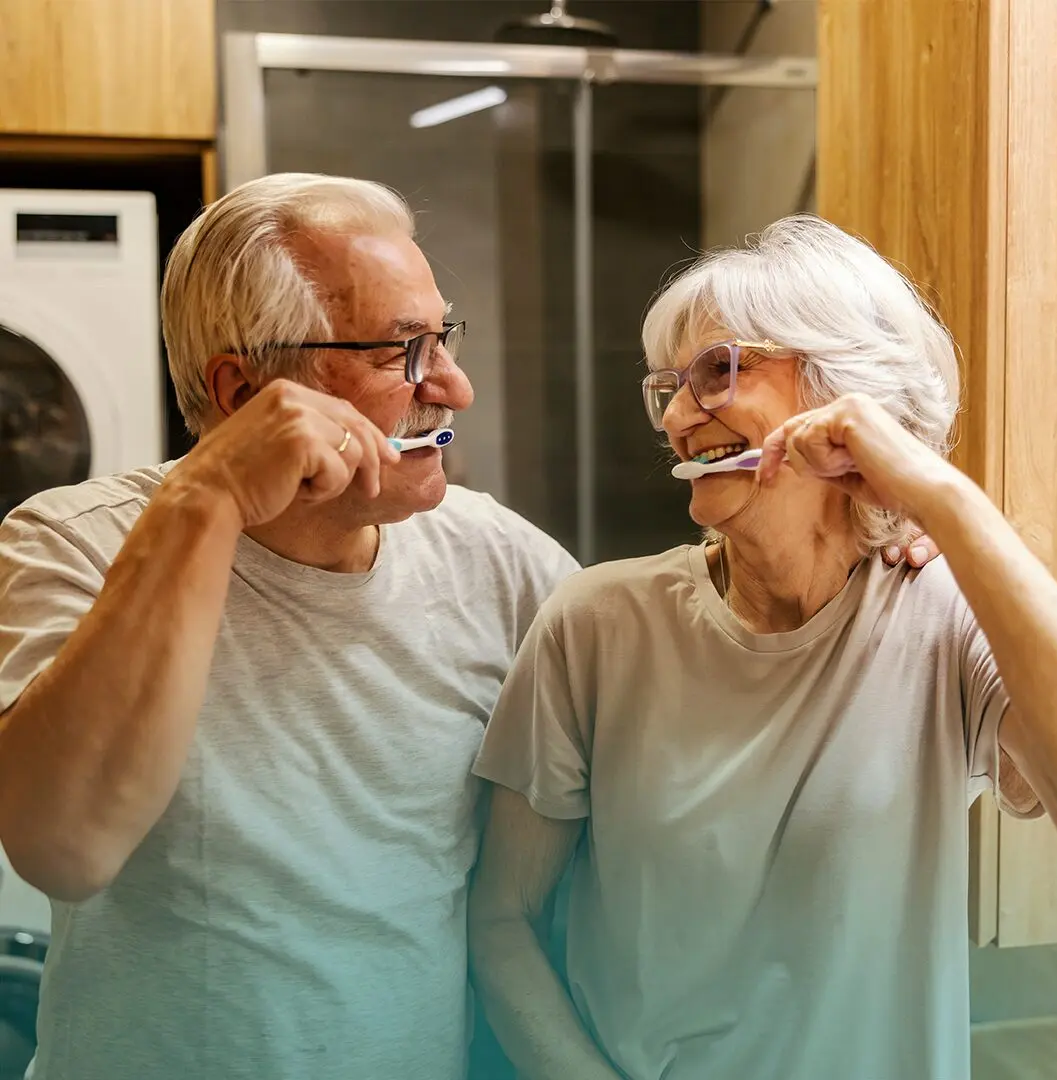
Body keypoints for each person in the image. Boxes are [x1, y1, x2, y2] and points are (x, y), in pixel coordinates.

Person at [0, 177, 932, 1080]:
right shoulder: (72, 547)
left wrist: (877, 528)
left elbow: (686, 732)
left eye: (443, 339)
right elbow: (67, 848)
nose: (454, 386)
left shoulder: (503, 564)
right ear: (243, 393)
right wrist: (205, 498)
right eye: (401, 352)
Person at [467, 215, 1057, 1080]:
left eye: (718, 372)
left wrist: (945, 499)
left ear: (843, 389)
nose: (678, 417)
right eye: (667, 388)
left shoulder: (941, 615)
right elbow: (503, 922)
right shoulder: (596, 625)